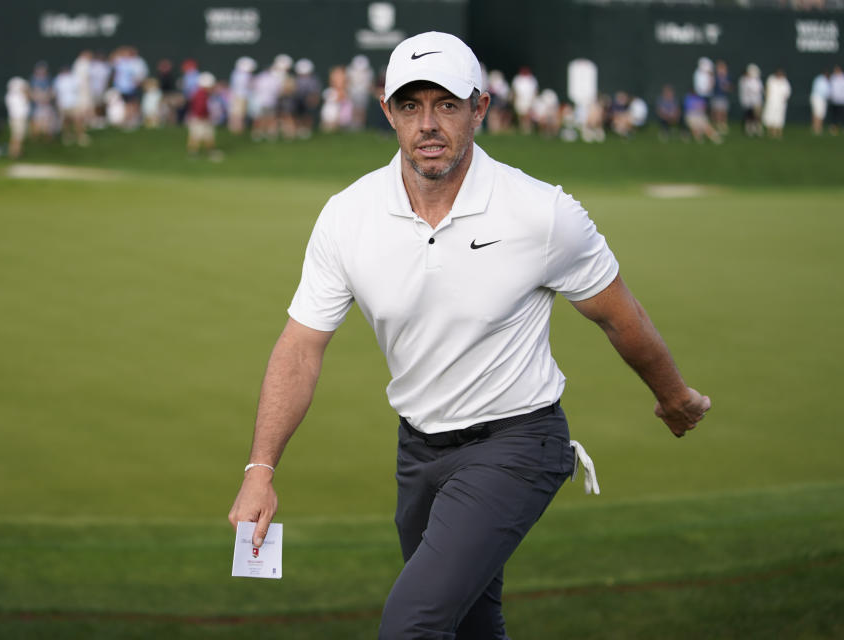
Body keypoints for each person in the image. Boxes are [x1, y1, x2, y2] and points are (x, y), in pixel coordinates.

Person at [227, 31, 711, 640]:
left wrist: (673, 396)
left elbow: (620, 314)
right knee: (473, 625)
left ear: (479, 108)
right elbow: (301, 346)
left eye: (447, 105)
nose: (428, 124)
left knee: (412, 624)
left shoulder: (541, 213)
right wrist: (260, 466)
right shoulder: (347, 217)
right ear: (388, 113)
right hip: (419, 453)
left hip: (517, 443)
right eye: (410, 106)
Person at [762, 68, 791, 139]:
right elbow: (767, 89)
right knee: (770, 116)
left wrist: (784, 100)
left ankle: (778, 133)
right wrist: (767, 98)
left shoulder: (785, 82)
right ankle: (770, 133)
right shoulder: (771, 79)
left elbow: (787, 93)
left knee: (779, 118)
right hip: (771, 102)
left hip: (780, 103)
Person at [810, 69, 831, 135]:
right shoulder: (820, 80)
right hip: (818, 98)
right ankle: (816, 127)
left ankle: (819, 127)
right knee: (817, 113)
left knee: (821, 113)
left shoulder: (826, 81)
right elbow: (821, 91)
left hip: (822, 99)